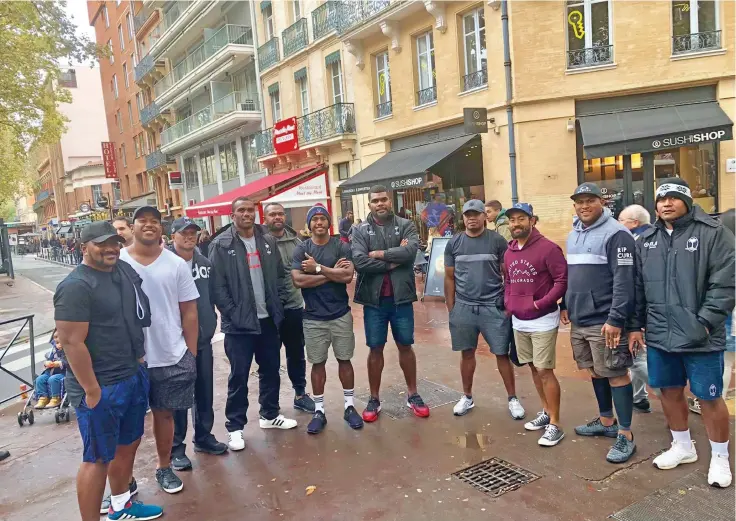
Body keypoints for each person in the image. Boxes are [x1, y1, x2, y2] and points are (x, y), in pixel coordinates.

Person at [629, 180, 734, 488]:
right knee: (669, 392)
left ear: (688, 201)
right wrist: (635, 325)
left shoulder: (714, 234)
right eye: (661, 198)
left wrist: (703, 322)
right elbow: (638, 289)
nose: (666, 203)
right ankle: (682, 446)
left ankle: (719, 458)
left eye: (674, 197)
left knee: (709, 397)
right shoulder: (646, 239)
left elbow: (726, 284)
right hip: (661, 335)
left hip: (701, 336)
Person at [53, 221, 161, 521]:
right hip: (100, 384)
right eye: (102, 243)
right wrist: (91, 389)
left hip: (131, 374)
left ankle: (121, 505)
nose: (111, 248)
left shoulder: (122, 271)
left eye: (114, 242)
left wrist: (138, 360)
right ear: (84, 246)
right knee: (97, 457)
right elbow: (71, 342)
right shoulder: (75, 286)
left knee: (128, 444)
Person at [119, 206, 199, 495]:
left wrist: (190, 352)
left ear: (162, 229)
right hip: (128, 358)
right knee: (126, 423)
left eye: (155, 221)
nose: (149, 225)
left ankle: (164, 468)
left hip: (170, 354)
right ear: (133, 226)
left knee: (165, 416)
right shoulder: (117, 261)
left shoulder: (175, 264)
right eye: (143, 221)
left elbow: (189, 310)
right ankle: (123, 481)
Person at [209, 197, 297, 453]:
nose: (247, 214)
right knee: (239, 377)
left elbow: (279, 277)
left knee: (270, 369)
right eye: (241, 211)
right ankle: (235, 428)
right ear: (232, 215)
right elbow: (217, 287)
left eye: (250, 210)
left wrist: (277, 304)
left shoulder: (267, 239)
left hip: (268, 320)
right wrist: (234, 314)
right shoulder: (221, 244)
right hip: (239, 326)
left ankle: (269, 415)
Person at [562, 182, 637, 464]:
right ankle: (607, 422)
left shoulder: (617, 234)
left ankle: (626, 434)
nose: (584, 206)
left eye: (590, 200)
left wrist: (617, 319)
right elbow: (574, 275)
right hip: (580, 319)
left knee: (616, 372)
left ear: (602, 202)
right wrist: (566, 304)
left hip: (605, 321)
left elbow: (625, 281)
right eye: (579, 201)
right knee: (595, 370)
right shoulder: (573, 234)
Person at [352, 185, 430, 421]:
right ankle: (374, 398)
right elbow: (359, 261)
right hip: (373, 301)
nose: (380, 204)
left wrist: (378, 254)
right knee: (375, 348)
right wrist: (391, 262)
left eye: (384, 199)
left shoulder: (406, 225)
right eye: (375, 201)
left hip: (401, 298)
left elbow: (410, 253)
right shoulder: (360, 230)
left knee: (405, 345)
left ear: (390, 202)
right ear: (369, 205)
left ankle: (413, 394)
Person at [443, 200, 526, 420]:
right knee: (467, 353)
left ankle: (512, 398)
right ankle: (467, 396)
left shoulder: (497, 241)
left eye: (476, 214)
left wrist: (508, 304)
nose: (471, 218)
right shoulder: (454, 243)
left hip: (493, 307)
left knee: (501, 353)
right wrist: (452, 308)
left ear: (484, 217)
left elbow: (507, 275)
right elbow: (449, 277)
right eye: (467, 215)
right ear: (463, 218)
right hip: (464, 307)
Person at [291, 205, 362, 434]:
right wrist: (331, 274)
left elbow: (348, 276)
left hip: (340, 314)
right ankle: (319, 410)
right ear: (309, 224)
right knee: (317, 363)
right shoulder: (302, 249)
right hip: (313, 318)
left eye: (323, 219)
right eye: (315, 219)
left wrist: (318, 268)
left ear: (329, 222)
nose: (319, 222)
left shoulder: (341, 246)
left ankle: (349, 407)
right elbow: (298, 281)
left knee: (345, 359)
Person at [504, 203, 568, 446]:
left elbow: (562, 280)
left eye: (521, 218)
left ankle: (555, 423)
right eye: (512, 220)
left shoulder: (548, 248)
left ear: (532, 221)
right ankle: (545, 411)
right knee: (532, 367)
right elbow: (508, 280)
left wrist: (542, 303)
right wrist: (509, 302)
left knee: (544, 370)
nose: (516, 224)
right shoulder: (509, 251)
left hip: (542, 319)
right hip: (519, 319)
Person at [168, 217, 228, 472]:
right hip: (175, 343)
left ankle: (203, 437)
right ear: (173, 236)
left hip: (202, 339)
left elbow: (213, 295)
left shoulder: (204, 262)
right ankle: (176, 448)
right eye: (184, 233)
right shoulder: (165, 264)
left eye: (192, 232)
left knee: (204, 391)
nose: (189, 237)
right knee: (179, 396)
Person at [263, 202, 315, 413]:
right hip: (268, 311)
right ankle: (270, 403)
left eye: (280, 214)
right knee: (269, 357)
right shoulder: (259, 242)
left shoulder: (297, 242)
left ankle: (300, 394)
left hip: (293, 306)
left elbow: (307, 270)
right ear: (265, 218)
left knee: (296, 353)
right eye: (273, 214)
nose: (277, 217)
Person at [618, 204, 657, 413]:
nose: (618, 224)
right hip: (650, 307)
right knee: (638, 354)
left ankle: (667, 395)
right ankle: (639, 397)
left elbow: (633, 281)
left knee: (636, 357)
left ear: (633, 223)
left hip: (638, 309)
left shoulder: (635, 242)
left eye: (621, 220)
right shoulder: (655, 237)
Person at [34, 330, 67, 409]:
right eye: (56, 342)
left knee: (53, 379)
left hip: (63, 372)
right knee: (40, 379)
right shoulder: (54, 350)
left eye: (60, 342)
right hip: (51, 371)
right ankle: (43, 397)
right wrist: (47, 362)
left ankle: (56, 397)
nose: (58, 344)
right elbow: (49, 358)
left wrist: (58, 363)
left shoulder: (68, 349)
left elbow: (68, 361)